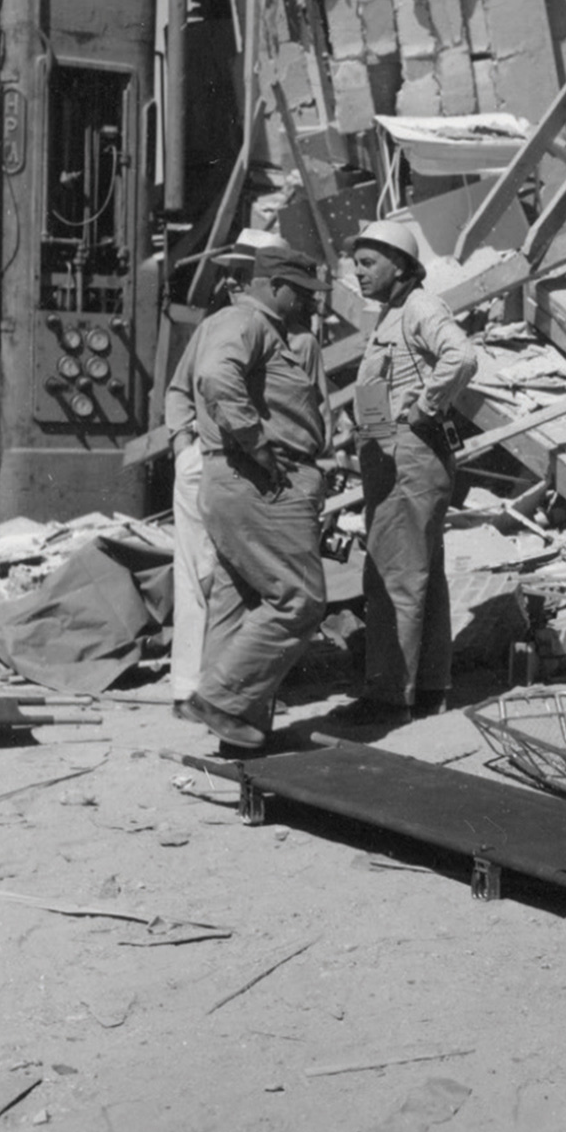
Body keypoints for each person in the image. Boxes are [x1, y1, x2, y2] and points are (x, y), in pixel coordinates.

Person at [325, 221, 478, 730]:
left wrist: (426, 407)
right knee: (419, 575)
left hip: (409, 456)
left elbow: (462, 355)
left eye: (368, 263)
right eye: (355, 263)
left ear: (401, 265)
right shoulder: (392, 314)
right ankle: (428, 687)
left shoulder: (419, 307)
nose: (358, 272)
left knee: (392, 575)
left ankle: (389, 696)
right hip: (392, 455)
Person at [184, 245, 331, 752]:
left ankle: (237, 733)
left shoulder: (273, 332)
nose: (306, 303)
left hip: (245, 479)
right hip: (260, 479)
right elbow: (214, 378)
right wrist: (258, 443)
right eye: (300, 292)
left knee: (240, 600)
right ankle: (221, 699)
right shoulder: (244, 321)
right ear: (273, 285)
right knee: (300, 599)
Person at [162, 247, 257, 721]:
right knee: (196, 572)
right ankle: (188, 689)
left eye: (243, 275)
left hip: (247, 467)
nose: (233, 284)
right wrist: (183, 446)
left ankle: (220, 687)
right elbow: (178, 389)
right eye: (232, 276)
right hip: (208, 459)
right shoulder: (212, 328)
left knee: (230, 574)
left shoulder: (283, 333)